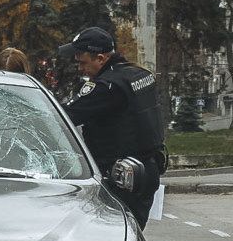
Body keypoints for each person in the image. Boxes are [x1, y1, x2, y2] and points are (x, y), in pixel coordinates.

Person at [58, 27, 164, 228]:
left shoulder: (107, 87)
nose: (80, 68)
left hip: (122, 179)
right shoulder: (139, 74)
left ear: (100, 58)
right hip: (146, 171)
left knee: (115, 239)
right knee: (131, 235)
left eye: (82, 62)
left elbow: (63, 118)